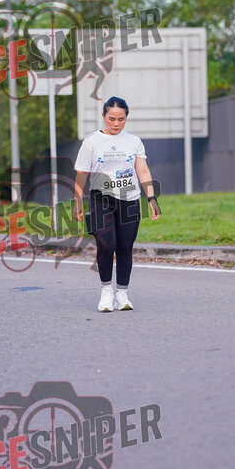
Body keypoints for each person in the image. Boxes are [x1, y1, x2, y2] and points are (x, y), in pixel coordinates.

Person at [73, 96, 160, 312]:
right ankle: (106, 291)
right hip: (100, 199)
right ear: (104, 116)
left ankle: (122, 294)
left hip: (129, 200)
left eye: (121, 119)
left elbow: (142, 171)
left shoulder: (134, 141)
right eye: (111, 119)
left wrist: (151, 198)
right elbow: (81, 173)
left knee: (125, 247)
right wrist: (77, 201)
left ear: (126, 118)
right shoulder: (92, 141)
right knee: (106, 244)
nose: (116, 124)